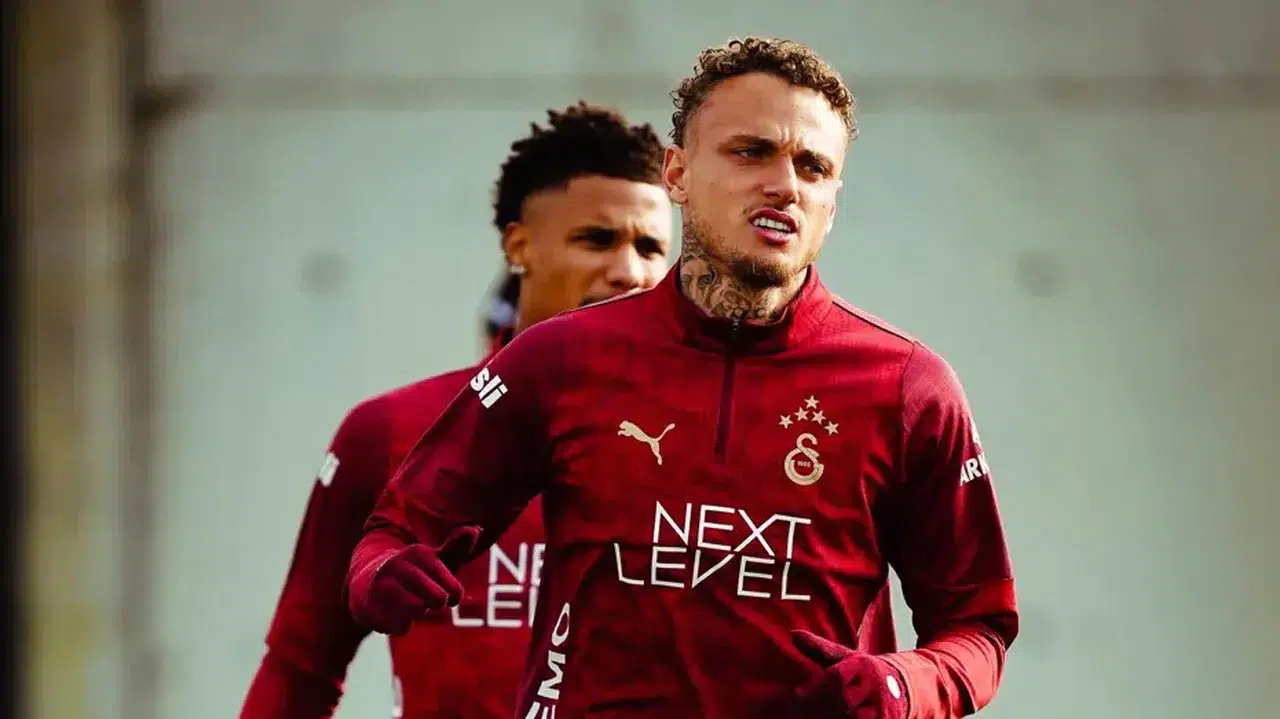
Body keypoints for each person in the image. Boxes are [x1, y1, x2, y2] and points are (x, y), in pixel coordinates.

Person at [346, 37, 1018, 719]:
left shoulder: (909, 386)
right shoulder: (557, 358)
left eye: (813, 166)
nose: (785, 185)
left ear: (832, 203)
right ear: (677, 174)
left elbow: (979, 625)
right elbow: (398, 528)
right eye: (751, 151)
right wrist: (381, 574)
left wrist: (906, 684)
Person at [239, 103, 676, 719]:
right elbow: (300, 666)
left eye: (652, 247)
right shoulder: (392, 432)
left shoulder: (706, 439)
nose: (630, 271)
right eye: (597, 240)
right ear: (519, 245)